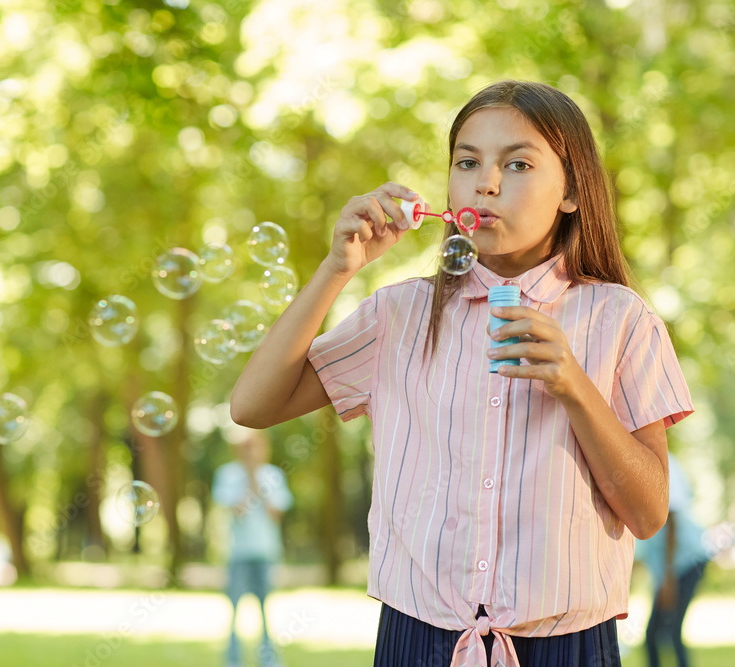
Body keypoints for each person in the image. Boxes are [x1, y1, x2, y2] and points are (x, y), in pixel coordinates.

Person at [230, 80, 694, 667]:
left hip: (568, 645)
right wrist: (336, 269)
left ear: (573, 191)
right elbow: (252, 405)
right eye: (467, 161)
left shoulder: (621, 320)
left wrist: (575, 386)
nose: (487, 181)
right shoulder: (400, 314)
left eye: (518, 163)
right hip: (417, 636)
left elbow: (650, 513)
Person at [212, 427, 293, 667]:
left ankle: (268, 659)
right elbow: (239, 511)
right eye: (246, 447)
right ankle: (233, 659)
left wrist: (255, 476)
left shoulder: (274, 475)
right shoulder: (226, 475)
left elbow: (275, 513)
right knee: (234, 610)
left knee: (265, 610)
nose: (250, 452)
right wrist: (248, 475)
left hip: (266, 553)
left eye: (254, 446)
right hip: (238, 553)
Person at [635, 452, 708, 667]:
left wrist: (668, 578)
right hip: (670, 568)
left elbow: (673, 521)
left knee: (669, 633)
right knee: (654, 636)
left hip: (685, 564)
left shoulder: (662, 460)